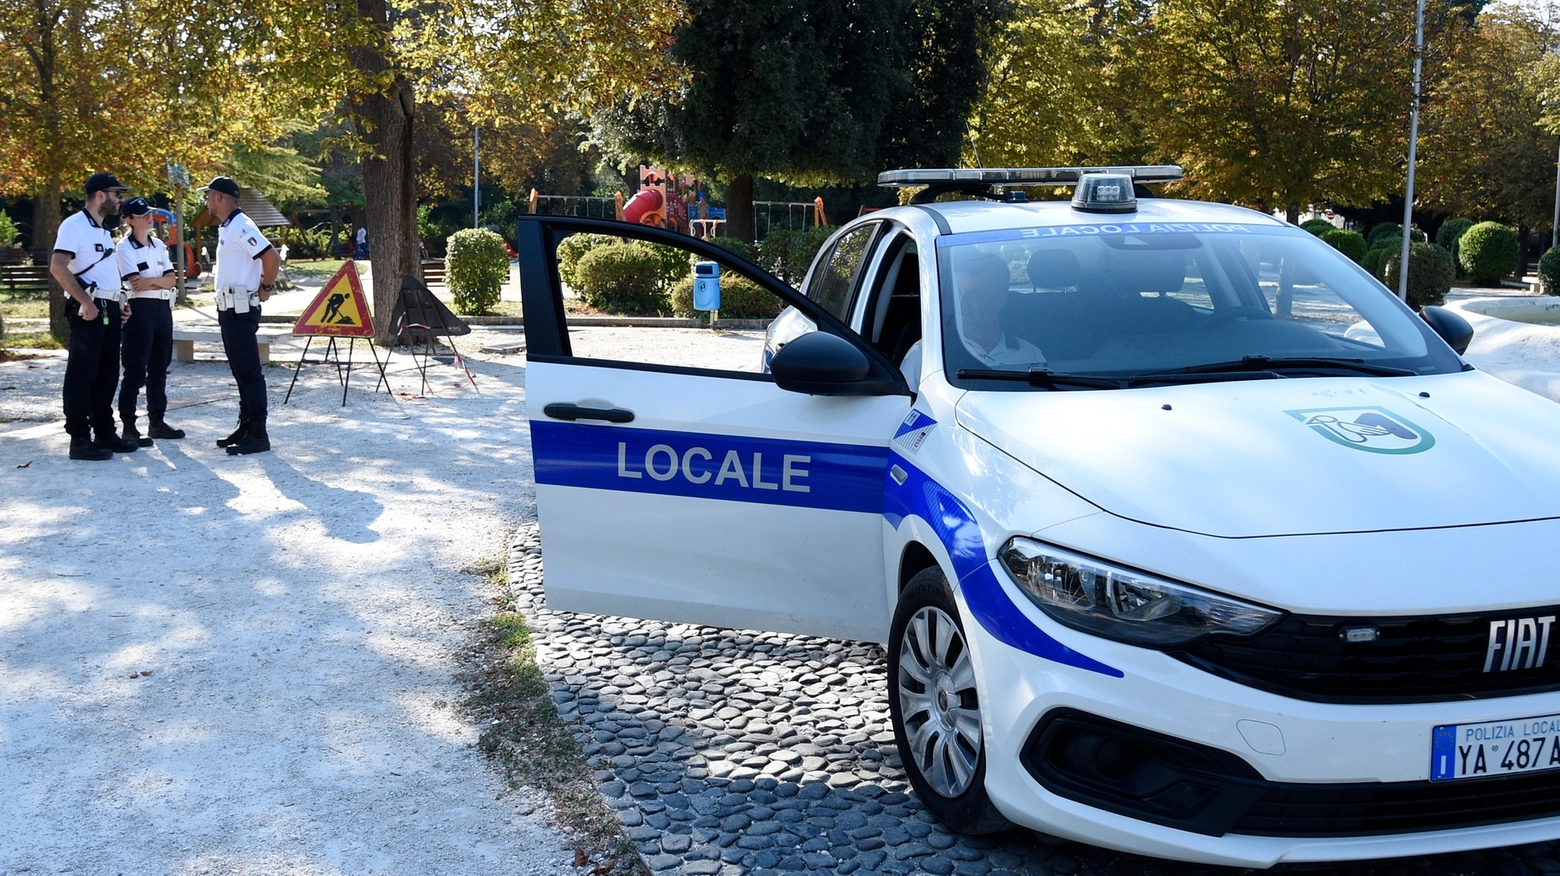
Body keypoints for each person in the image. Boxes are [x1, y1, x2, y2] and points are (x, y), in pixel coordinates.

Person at [51, 171, 138, 460]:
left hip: (109, 308)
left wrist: (120, 302)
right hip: (89, 309)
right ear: (100, 195)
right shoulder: (74, 225)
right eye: (117, 194)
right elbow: (58, 267)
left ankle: (104, 432)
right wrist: (85, 302)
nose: (120, 200)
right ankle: (79, 438)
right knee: (82, 373)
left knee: (107, 373)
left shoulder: (102, 230)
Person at [202, 176, 279, 455]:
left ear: (220, 198)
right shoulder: (229, 227)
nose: (207, 201)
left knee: (249, 372)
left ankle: (258, 432)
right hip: (229, 308)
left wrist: (266, 288)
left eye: (208, 195)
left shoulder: (241, 226)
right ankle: (246, 425)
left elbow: (271, 257)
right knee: (240, 371)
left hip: (241, 308)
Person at [115, 197, 184, 447]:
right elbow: (136, 282)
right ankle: (129, 426)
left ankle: (157, 421)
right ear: (129, 220)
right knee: (135, 367)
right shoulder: (124, 248)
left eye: (149, 213)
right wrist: (159, 281)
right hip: (139, 308)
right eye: (141, 214)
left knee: (159, 366)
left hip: (162, 307)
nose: (148, 217)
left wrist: (152, 282)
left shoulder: (158, 245)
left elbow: (172, 278)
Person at [955, 251, 1044, 367]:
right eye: (957, 292)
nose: (961, 304)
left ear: (1000, 300)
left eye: (974, 294)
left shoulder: (1030, 356)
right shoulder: (933, 352)